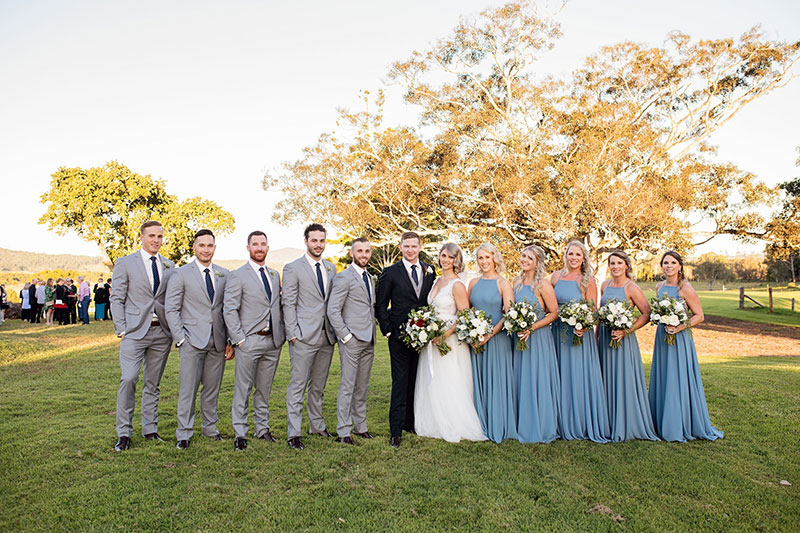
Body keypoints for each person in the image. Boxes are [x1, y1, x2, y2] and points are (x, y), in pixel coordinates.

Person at [110, 221, 175, 452]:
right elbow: (116, 298)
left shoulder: (169, 265)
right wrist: (122, 328)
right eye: (151, 236)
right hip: (134, 332)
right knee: (128, 379)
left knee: (153, 383)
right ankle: (124, 433)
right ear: (141, 237)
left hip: (161, 333)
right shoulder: (125, 263)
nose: (156, 240)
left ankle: (150, 429)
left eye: (159, 236)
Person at [166, 229, 233, 449]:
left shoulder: (225, 274)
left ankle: (210, 428)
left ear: (215, 247)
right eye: (202, 245)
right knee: (188, 388)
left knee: (212, 388)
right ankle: (184, 433)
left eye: (210, 245)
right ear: (194, 247)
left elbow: (228, 309)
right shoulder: (181, 274)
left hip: (218, 341)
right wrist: (181, 339)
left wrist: (229, 340)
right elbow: (172, 309)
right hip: (191, 341)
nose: (206, 250)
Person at [414, 243, 486, 443]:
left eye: (450, 257)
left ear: (457, 261)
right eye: (443, 255)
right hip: (431, 337)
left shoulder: (457, 285)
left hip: (450, 341)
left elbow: (464, 316)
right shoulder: (436, 280)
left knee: (449, 379)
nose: (445, 260)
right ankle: (433, 421)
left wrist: (444, 335)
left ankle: (454, 422)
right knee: (433, 379)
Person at [649, 251, 723, 442]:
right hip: (662, 337)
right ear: (662, 266)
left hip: (680, 339)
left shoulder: (686, 288)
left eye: (673, 262)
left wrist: (679, 327)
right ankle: (659, 422)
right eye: (665, 263)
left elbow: (699, 315)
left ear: (680, 266)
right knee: (664, 376)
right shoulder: (659, 287)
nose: (669, 266)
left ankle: (679, 424)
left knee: (677, 377)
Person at [223, 231, 285, 451]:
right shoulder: (237, 275)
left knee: (264, 389)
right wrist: (239, 339)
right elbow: (229, 309)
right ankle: (240, 432)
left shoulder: (274, 274)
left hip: (272, 342)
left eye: (263, 244)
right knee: (243, 388)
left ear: (268, 247)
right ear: (248, 248)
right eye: (255, 244)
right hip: (248, 341)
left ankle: (262, 429)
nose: (260, 248)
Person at [375, 231, 436, 448]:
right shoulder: (390, 272)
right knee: (400, 382)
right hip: (399, 337)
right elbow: (380, 305)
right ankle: (396, 430)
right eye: (406, 246)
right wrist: (388, 331)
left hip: (423, 337)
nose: (410, 250)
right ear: (400, 247)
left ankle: (411, 422)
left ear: (420, 247)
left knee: (416, 381)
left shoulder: (430, 270)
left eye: (413, 246)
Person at [282, 223, 337, 450]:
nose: (318, 245)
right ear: (306, 242)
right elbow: (288, 303)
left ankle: (317, 425)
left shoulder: (332, 268)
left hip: (326, 336)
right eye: (314, 240)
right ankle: (293, 432)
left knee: (318, 385)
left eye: (322, 240)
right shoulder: (292, 268)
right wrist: (293, 334)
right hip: (303, 336)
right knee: (298, 385)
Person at [550, 240, 610, 443]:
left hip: (579, 335)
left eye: (577, 254)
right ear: (565, 255)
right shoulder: (556, 276)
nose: (573, 258)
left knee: (576, 376)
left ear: (584, 258)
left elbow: (593, 310)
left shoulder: (588, 280)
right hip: (558, 333)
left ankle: (579, 422)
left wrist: (583, 326)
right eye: (570, 254)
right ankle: (558, 421)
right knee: (558, 375)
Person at [597, 250, 658, 442]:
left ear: (627, 266)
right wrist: (597, 335)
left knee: (623, 380)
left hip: (624, 341)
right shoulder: (604, 285)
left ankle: (626, 422)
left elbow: (646, 313)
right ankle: (607, 422)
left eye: (618, 263)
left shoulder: (631, 288)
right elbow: (601, 313)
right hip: (605, 339)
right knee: (605, 378)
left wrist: (626, 330)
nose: (615, 267)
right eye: (612, 263)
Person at [326, 238, 378, 445]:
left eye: (367, 251)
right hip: (352, 340)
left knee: (362, 386)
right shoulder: (343, 278)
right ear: (351, 253)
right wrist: (346, 336)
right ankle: (343, 431)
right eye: (359, 251)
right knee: (348, 386)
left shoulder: (370, 277)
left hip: (369, 340)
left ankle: (360, 426)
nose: (363, 255)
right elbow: (333, 309)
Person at [468, 242, 516, 443]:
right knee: (478, 381)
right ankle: (479, 424)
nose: (484, 261)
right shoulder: (473, 283)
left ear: (495, 258)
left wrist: (489, 334)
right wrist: (471, 333)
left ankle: (498, 423)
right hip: (476, 341)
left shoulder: (503, 283)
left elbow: (509, 315)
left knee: (496, 380)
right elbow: (467, 311)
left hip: (497, 340)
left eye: (487, 257)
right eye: (481, 258)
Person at [512, 245, 561, 444]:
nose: (524, 260)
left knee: (537, 378)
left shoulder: (543, 284)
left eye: (529, 258)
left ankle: (540, 425)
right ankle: (520, 422)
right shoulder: (515, 281)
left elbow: (554, 312)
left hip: (538, 338)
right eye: (523, 255)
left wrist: (532, 327)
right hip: (519, 338)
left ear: (537, 262)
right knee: (521, 378)